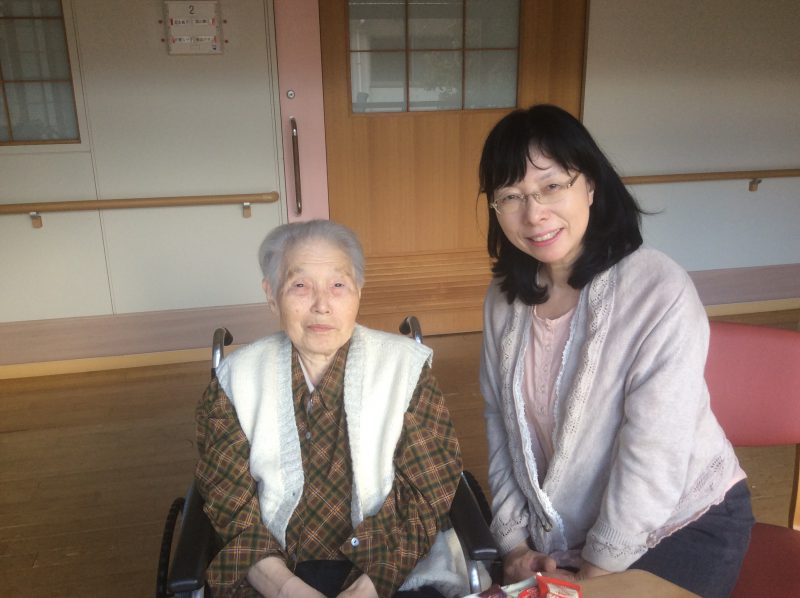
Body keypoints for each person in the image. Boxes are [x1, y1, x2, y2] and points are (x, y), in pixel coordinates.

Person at [477, 104, 754, 597]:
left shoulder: (657, 289)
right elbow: (500, 422)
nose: (534, 214)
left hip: (681, 522)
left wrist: (595, 574)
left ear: (590, 185)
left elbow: (655, 448)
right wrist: (514, 542)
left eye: (551, 186)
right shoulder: (503, 300)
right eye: (511, 196)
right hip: (562, 531)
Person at [195, 220, 465, 598]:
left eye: (338, 285)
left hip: (385, 563)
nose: (322, 305)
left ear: (358, 293)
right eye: (300, 286)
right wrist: (286, 589)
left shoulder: (405, 369)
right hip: (272, 568)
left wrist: (369, 587)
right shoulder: (236, 380)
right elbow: (230, 502)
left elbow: (427, 491)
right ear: (271, 294)